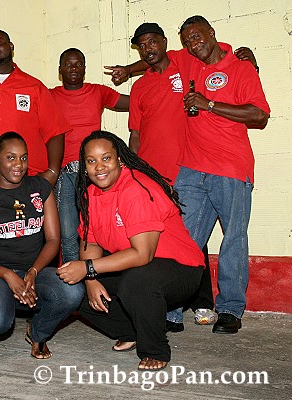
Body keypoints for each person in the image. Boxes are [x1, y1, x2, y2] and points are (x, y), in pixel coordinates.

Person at [107, 21, 262, 333]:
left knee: (233, 238)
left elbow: (259, 114)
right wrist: (129, 69)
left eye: (197, 37)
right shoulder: (189, 63)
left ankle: (230, 309)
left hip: (230, 167)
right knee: (183, 240)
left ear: (211, 34)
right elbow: (152, 59)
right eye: (188, 41)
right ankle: (173, 310)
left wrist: (213, 101)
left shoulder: (231, 66)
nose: (193, 45)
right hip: (192, 167)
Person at [57, 131, 204, 371]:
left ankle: (155, 350)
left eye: (106, 158)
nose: (99, 167)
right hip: (134, 266)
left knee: (136, 282)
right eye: (91, 161)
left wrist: (88, 268)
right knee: (68, 287)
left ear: (119, 160)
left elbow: (142, 254)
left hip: (180, 267)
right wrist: (90, 279)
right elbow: (90, 242)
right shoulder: (89, 193)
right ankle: (130, 331)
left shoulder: (136, 189)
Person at [0, 132, 84, 359]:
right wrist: (8, 275)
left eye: (23, 158)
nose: (18, 165)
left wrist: (33, 271)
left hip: (34, 272)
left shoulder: (40, 187)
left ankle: (38, 331)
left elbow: (53, 240)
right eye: (10, 157)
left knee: (72, 292)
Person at [0, 30, 71, 196]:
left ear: (11, 47)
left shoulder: (34, 87)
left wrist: (53, 172)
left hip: (27, 181)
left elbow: (56, 131)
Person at [50, 47, 129, 264]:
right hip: (65, 174)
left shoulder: (98, 92)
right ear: (60, 70)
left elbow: (136, 102)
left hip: (95, 172)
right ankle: (72, 279)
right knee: (68, 234)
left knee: (96, 231)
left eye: (78, 64)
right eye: (68, 64)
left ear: (85, 68)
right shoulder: (50, 95)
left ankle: (92, 274)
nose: (73, 68)